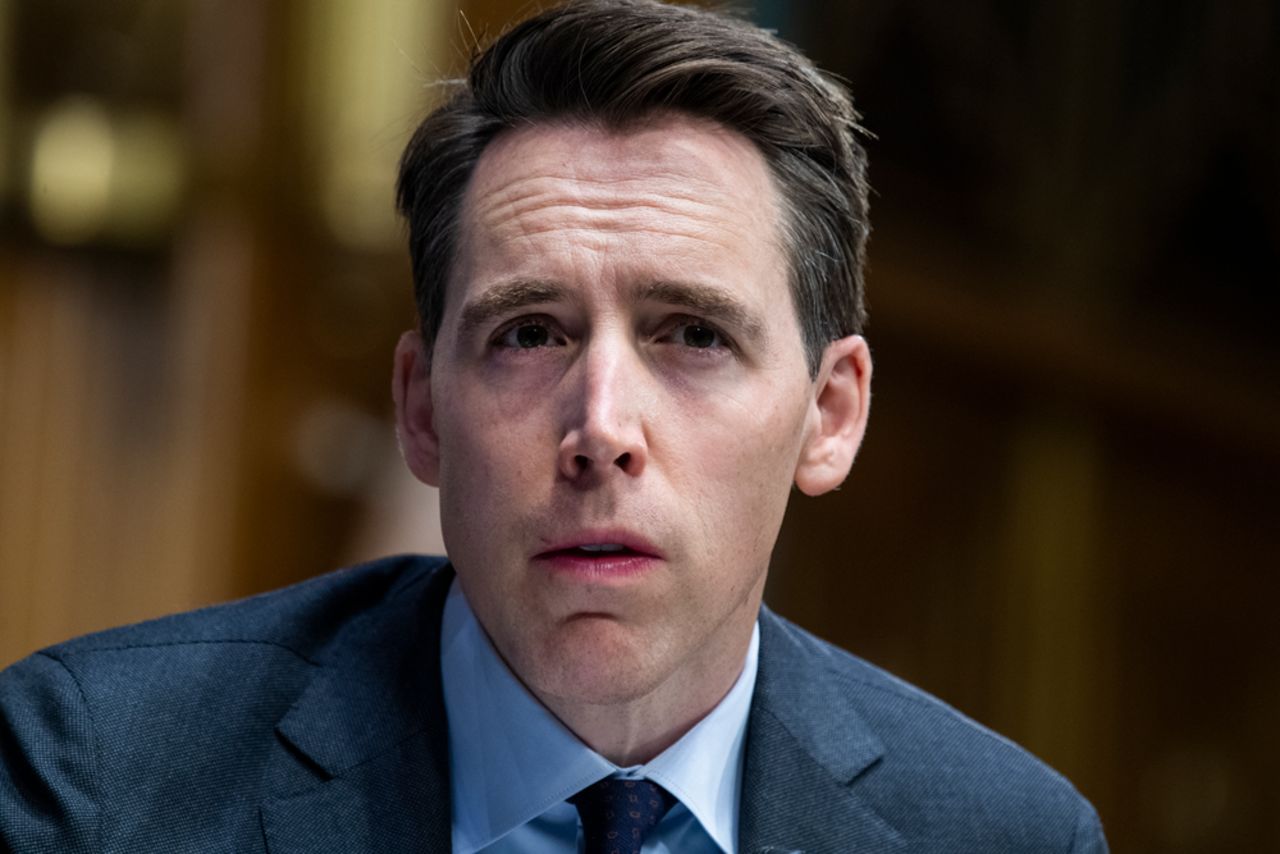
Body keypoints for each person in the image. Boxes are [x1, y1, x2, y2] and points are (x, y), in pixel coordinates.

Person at [0, 1, 1108, 851]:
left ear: (829, 414)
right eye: (529, 333)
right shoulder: (101, 777)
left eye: (692, 336)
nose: (601, 426)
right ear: (420, 409)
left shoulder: (1003, 832)